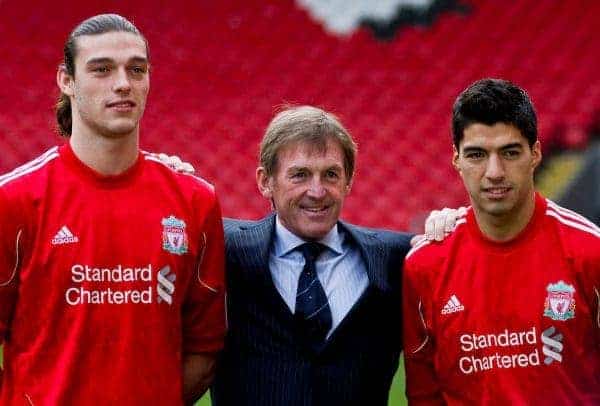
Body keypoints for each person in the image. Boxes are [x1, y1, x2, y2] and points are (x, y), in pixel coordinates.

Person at [0, 14, 225, 405]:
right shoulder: (13, 201)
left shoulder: (194, 201)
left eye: (136, 69)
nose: (123, 83)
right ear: (66, 80)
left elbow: (204, 352)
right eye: (102, 69)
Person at [403, 78, 600, 404]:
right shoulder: (425, 265)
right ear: (457, 160)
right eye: (477, 154)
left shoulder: (590, 252)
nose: (494, 172)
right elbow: (424, 394)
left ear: (535, 154)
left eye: (509, 152)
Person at [211, 105, 409, 406]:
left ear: (349, 181)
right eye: (300, 175)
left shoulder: (394, 258)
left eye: (330, 174)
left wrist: (446, 221)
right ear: (265, 181)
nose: (317, 191)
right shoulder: (224, 249)